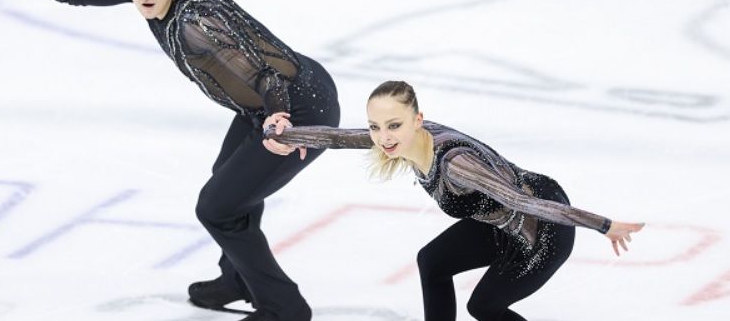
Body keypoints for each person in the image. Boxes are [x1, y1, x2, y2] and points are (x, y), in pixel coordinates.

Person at [33, 0, 340, 321]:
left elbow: (267, 76)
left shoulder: (194, 22)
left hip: (297, 109)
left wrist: (278, 121)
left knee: (217, 208)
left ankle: (285, 309)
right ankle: (238, 279)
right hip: (271, 101)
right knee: (228, 183)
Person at [265, 80, 645, 321]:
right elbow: (338, 138)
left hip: (543, 229)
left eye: (394, 125)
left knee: (484, 307)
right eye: (375, 127)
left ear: (418, 120)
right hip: (501, 219)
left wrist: (603, 225)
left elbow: (521, 201)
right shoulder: (400, 140)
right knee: (433, 262)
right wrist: (282, 133)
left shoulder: (456, 165)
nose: (383, 137)